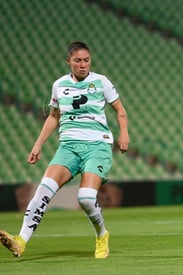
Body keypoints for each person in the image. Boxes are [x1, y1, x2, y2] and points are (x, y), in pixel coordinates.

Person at [0, 41, 129, 259]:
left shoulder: (101, 81)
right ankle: (20, 241)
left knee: (86, 198)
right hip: (68, 147)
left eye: (86, 60)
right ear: (68, 61)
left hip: (97, 146)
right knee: (43, 190)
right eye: (77, 60)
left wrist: (124, 133)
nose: (82, 65)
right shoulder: (59, 85)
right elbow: (53, 116)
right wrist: (38, 144)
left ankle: (101, 235)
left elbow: (120, 110)